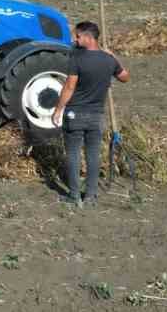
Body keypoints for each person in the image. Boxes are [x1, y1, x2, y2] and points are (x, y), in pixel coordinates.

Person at [50, 20, 130, 207]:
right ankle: (91, 196)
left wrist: (58, 109)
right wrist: (113, 57)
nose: (75, 40)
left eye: (77, 36)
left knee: (73, 154)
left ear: (88, 37)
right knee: (93, 155)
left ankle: (74, 196)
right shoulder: (108, 60)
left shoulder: (77, 59)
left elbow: (69, 87)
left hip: (75, 115)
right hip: (96, 116)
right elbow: (125, 77)